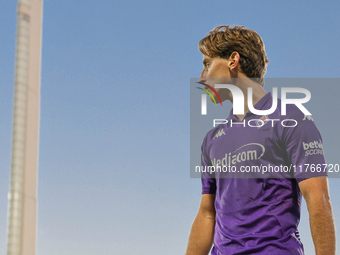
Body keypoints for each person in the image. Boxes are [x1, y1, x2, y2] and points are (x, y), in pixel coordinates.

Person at [186, 25, 336, 255]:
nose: (201, 77)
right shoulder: (212, 139)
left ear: (233, 60)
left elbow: (318, 199)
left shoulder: (291, 118)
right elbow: (207, 213)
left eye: (207, 64)